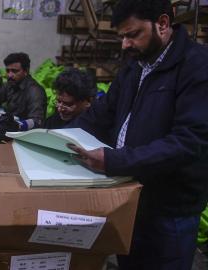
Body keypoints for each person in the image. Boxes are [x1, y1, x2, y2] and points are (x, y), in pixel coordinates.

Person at [66, 0, 208, 269]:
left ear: (163, 24)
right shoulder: (135, 65)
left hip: (170, 209)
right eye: (122, 37)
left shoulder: (197, 67)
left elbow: (188, 141)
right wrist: (51, 139)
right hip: (130, 197)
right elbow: (102, 113)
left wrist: (114, 161)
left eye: (133, 35)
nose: (125, 45)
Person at [0, 52, 47, 131]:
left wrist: (15, 125)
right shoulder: (10, 84)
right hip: (9, 129)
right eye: (8, 71)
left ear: (26, 71)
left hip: (25, 134)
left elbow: (37, 121)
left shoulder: (35, 91)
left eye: (15, 71)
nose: (10, 75)